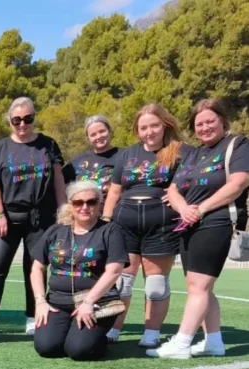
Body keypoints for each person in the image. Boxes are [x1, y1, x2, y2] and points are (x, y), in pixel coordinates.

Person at [147, 99, 249, 359]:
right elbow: (172, 189)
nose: (205, 127)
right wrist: (184, 209)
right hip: (188, 224)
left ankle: (182, 341)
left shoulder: (238, 145)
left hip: (217, 221)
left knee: (199, 286)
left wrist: (200, 208)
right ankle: (213, 342)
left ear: (222, 121)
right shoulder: (192, 154)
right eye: (199, 123)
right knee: (200, 287)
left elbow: (238, 184)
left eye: (210, 121)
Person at [0, 97, 66, 336]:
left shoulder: (48, 145)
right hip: (8, 217)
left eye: (28, 119)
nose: (23, 124)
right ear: (9, 121)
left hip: (41, 218)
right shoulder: (1, 147)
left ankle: (33, 317)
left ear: (34, 117)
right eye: (17, 120)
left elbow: (59, 181)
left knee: (36, 268)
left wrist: (64, 212)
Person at [100, 104, 192, 346]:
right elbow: (115, 191)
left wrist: (177, 192)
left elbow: (198, 181)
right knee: (121, 282)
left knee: (155, 285)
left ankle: (151, 334)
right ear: (137, 130)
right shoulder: (127, 154)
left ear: (165, 125)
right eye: (144, 127)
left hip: (161, 226)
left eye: (154, 125)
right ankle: (113, 329)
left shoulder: (181, 152)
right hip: (124, 224)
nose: (149, 132)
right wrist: (106, 222)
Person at [31, 180, 128, 361]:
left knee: (79, 351)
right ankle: (72, 334)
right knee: (46, 348)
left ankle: (96, 340)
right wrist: (40, 302)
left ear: (99, 204)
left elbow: (114, 270)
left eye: (91, 202)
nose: (84, 207)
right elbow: (37, 267)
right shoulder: (56, 231)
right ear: (70, 205)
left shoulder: (110, 231)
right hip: (57, 303)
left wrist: (89, 302)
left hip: (95, 304)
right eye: (78, 202)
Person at [62, 115, 121, 195]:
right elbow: (59, 183)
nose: (99, 136)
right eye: (93, 134)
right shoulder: (77, 161)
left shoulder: (125, 155)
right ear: (88, 139)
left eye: (102, 131)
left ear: (110, 131)